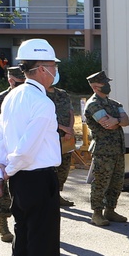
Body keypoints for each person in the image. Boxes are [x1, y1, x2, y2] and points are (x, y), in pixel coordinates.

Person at [0, 38, 78, 256]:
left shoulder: (12, 97)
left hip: (21, 181)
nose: (54, 70)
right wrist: (9, 170)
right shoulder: (41, 102)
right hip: (36, 177)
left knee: (23, 244)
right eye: (52, 66)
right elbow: (25, 148)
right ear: (40, 68)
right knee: (42, 245)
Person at [83, 72, 129, 227]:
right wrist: (118, 121)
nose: (108, 85)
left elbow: (126, 121)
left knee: (117, 182)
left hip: (117, 149)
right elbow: (106, 124)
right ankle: (97, 213)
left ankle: (110, 210)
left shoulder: (114, 104)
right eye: (104, 83)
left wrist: (116, 120)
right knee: (101, 182)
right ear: (96, 87)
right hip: (103, 150)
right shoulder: (93, 104)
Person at [0, 66, 27, 242]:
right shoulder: (0, 100)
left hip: (25, 152)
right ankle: (3, 224)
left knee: (25, 191)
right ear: (11, 80)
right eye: (19, 81)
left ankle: (26, 226)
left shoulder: (28, 96)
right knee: (2, 190)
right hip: (5, 152)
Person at [46, 76, 76, 208]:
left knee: (64, 167)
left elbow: (71, 112)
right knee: (50, 169)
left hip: (66, 138)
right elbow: (46, 119)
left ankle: (57, 195)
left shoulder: (63, 94)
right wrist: (64, 128)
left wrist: (70, 129)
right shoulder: (40, 94)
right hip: (49, 138)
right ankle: (48, 197)